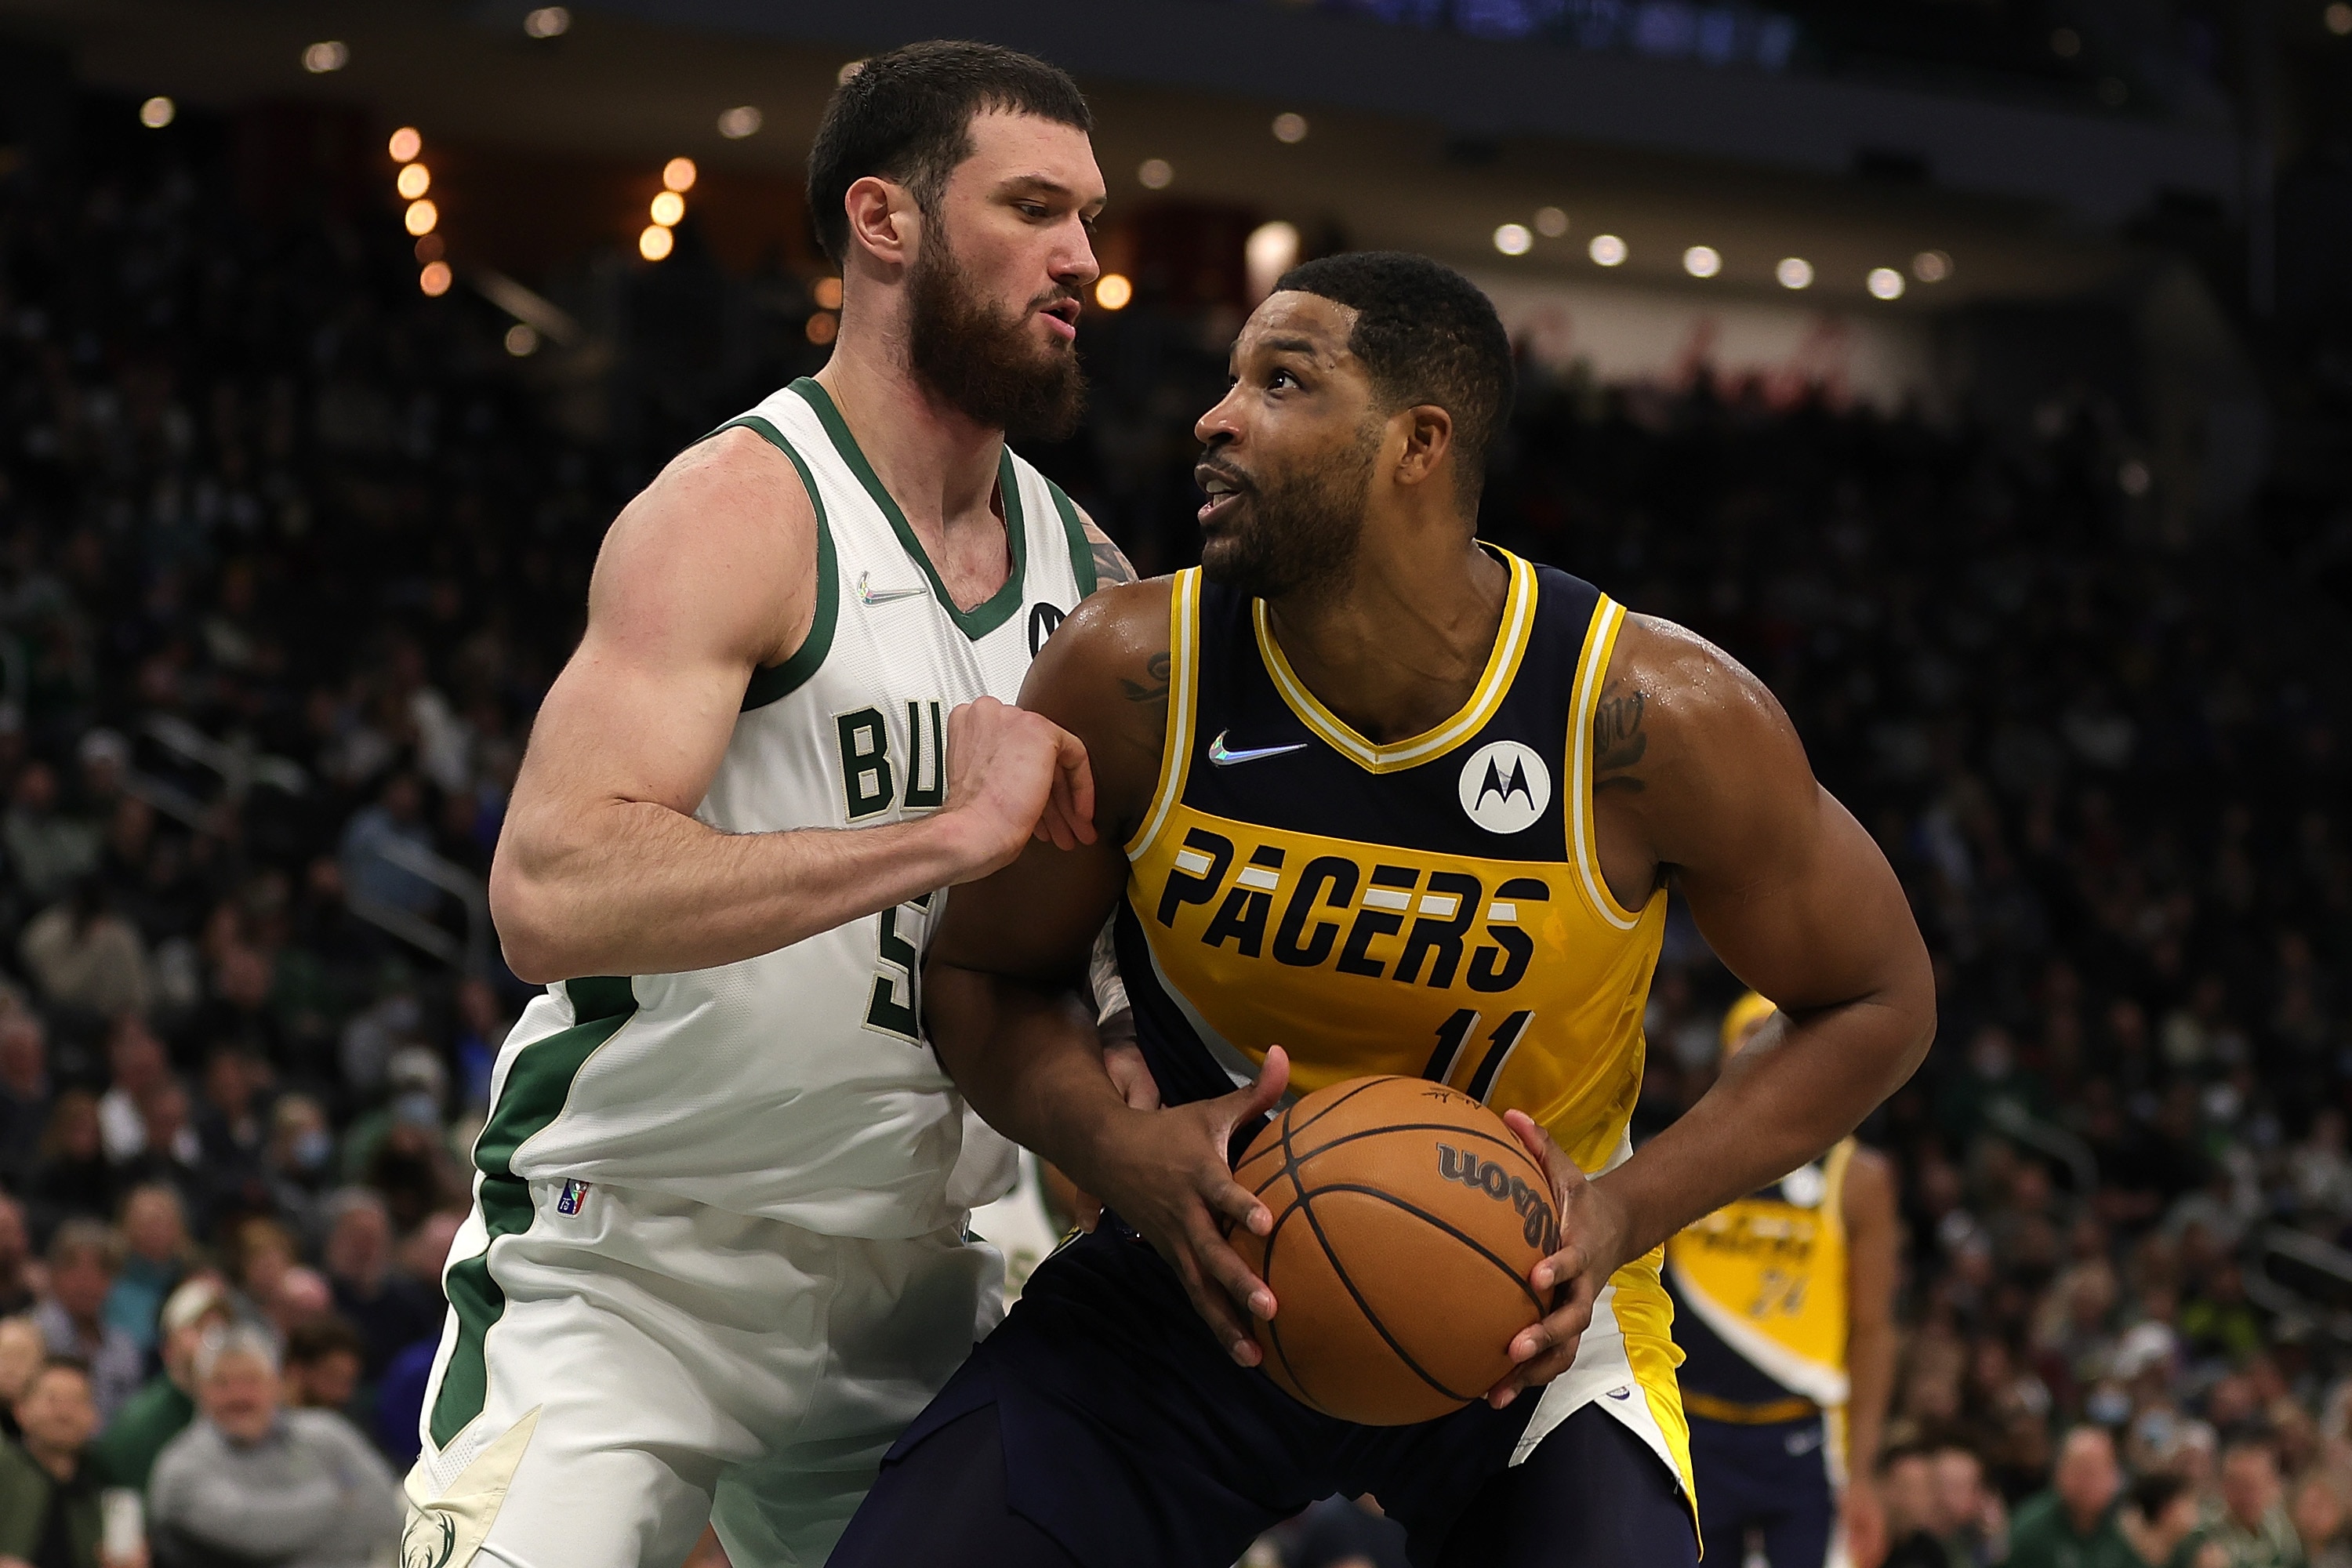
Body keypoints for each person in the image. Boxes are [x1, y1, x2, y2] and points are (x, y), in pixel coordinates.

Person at [829, 252, 1936, 1567]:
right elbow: (984, 978)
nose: (1214, 416)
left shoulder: (1646, 717)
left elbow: (1879, 1000)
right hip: (1187, 1274)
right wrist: (1119, 1149)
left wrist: (1628, 1208)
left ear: (1419, 443)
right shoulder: (1133, 674)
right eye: (1229, 381)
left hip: (1526, 1318)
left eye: (1281, 382)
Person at [405, 39, 1132, 1568]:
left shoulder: (1099, 591)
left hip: (926, 1284)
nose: (1080, 256)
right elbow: (548, 889)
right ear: (886, 219)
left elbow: (1107, 981)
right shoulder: (739, 510)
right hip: (636, 1268)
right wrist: (939, 838)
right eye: (1034, 207)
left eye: (1090, 217)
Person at [1665, 991, 1900, 1567]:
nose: (1764, 1048)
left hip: (1802, 1437)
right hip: (1692, 1428)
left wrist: (1863, 1469)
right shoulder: (1674, 1159)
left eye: (1781, 1033)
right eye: (1749, 1034)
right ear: (1724, 1056)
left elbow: (1873, 1332)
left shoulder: (1857, 1177)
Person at [148, 1326, 401, 1568]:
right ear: (200, 1392)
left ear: (276, 1385)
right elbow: (254, 1534)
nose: (239, 1395)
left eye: (251, 1380)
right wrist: (340, 1496)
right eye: (221, 1383)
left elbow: (386, 1515)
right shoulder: (180, 1468)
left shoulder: (327, 1434)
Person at [0, 1356, 144, 1568]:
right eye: (52, 1400)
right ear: (20, 1410)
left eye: (77, 1401)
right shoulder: (6, 1470)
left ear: (96, 1418)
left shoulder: (99, 1500)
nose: (64, 1413)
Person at [92, 1277, 230, 1494]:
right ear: (168, 1348)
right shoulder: (140, 1425)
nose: (213, 1338)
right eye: (200, 1327)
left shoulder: (236, 1412)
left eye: (221, 1327)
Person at [33, 1223, 141, 1426]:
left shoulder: (124, 1348)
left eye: (100, 1272)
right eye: (76, 1270)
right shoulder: (31, 1337)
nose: (88, 1283)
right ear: (53, 1274)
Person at [2006, 1425, 2138, 1568]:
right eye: (2081, 1470)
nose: (2088, 1482)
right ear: (2059, 1472)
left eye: (2096, 1472)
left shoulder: (2127, 1529)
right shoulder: (2029, 1528)